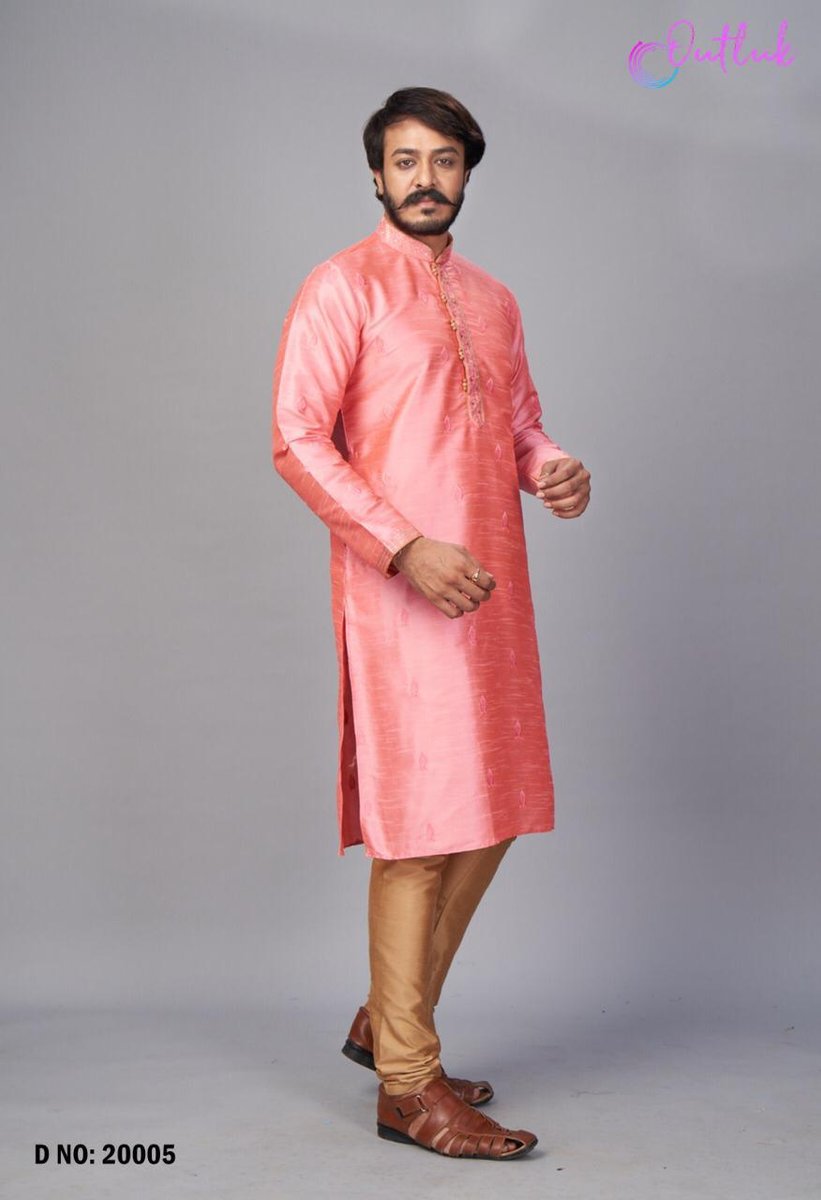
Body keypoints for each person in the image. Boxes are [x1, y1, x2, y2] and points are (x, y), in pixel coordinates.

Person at [271, 86, 590, 1160]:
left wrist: (551, 468)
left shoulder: (494, 298)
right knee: (418, 831)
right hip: (402, 592)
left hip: (490, 589)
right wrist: (405, 545)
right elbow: (296, 436)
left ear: (465, 173)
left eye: (442, 160)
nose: (423, 178)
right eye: (403, 160)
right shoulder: (341, 286)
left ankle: (386, 1022)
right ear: (375, 175)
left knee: (492, 808)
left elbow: (520, 424)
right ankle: (407, 1086)